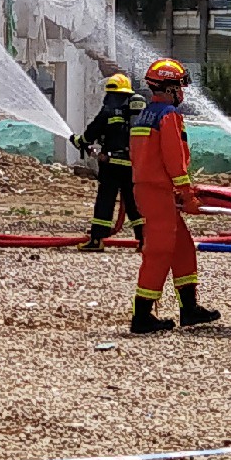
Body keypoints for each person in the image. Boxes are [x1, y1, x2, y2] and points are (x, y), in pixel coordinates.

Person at [129, 58, 219, 333]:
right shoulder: (168, 115)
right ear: (169, 88)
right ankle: (142, 315)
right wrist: (186, 193)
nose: (182, 92)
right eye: (179, 86)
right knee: (159, 250)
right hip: (159, 191)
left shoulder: (145, 115)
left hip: (149, 188)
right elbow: (174, 159)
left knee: (182, 248)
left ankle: (189, 309)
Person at [74, 73, 147, 251]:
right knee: (133, 203)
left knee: (105, 201)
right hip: (133, 165)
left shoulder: (109, 109)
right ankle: (145, 241)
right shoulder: (134, 109)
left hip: (111, 164)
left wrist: (78, 141)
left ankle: (97, 240)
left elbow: (91, 133)